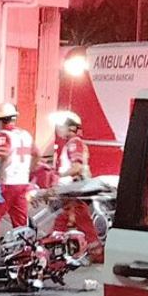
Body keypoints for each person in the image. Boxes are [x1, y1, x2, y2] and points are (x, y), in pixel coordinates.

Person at [0, 103, 37, 249]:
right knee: (20, 220)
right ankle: (23, 252)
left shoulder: (3, 136)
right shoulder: (25, 135)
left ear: (1, 120)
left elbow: (2, 157)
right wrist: (28, 173)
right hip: (22, 183)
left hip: (7, 183)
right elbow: (37, 154)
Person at [50, 113, 104, 264]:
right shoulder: (72, 143)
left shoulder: (74, 143)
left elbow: (77, 167)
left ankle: (55, 251)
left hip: (73, 190)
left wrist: (57, 175)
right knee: (71, 220)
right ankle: (56, 248)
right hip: (73, 189)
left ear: (72, 127)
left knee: (71, 220)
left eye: (62, 126)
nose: (59, 129)